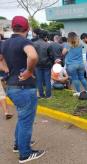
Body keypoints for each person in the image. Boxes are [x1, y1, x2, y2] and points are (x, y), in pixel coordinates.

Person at [1, 16, 45, 163]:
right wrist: (29, 71)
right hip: (24, 88)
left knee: (22, 118)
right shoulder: (25, 42)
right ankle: (25, 153)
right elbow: (32, 56)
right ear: (27, 28)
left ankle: (18, 145)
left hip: (11, 87)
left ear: (12, 28)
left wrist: (6, 71)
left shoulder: (5, 43)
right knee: (26, 121)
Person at [62, 32, 87, 96]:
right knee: (82, 78)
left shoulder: (67, 44)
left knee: (75, 78)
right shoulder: (80, 44)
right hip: (80, 64)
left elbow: (63, 53)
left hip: (72, 64)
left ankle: (78, 92)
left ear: (69, 37)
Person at [34, 30, 53, 99]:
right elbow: (51, 56)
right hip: (47, 64)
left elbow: (33, 55)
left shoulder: (34, 44)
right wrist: (51, 63)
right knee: (47, 80)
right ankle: (48, 95)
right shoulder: (48, 44)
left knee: (39, 80)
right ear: (45, 36)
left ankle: (41, 95)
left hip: (37, 64)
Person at [0, 33, 13, 120]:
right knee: (2, 94)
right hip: (4, 73)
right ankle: (6, 112)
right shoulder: (4, 45)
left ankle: (6, 112)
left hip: (4, 74)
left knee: (2, 94)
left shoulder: (4, 44)